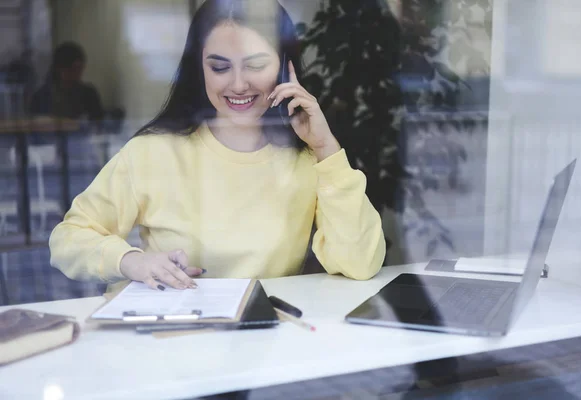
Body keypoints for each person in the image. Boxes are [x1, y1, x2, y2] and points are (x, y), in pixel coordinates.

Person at [49, 0, 385, 292]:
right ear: (200, 70)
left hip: (267, 343)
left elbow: (359, 263)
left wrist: (327, 147)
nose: (238, 84)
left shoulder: (309, 158)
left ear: (285, 67)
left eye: (255, 65)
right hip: (171, 344)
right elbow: (69, 238)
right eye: (220, 67)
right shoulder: (152, 152)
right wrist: (130, 260)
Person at [30, 41, 103, 121]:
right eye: (73, 69)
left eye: (80, 69)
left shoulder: (89, 94)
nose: (78, 73)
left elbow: (98, 124)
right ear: (59, 69)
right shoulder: (41, 97)